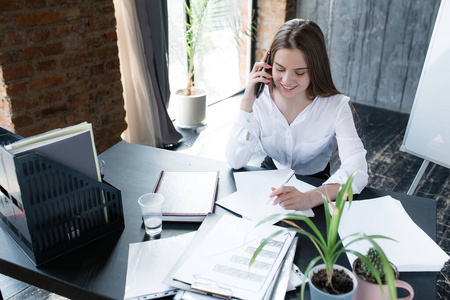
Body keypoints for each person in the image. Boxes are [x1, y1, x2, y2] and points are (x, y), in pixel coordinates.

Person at [226, 19, 368, 211]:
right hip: (270, 174)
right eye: (280, 69)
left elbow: (357, 172)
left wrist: (309, 199)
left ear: (316, 70)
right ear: (269, 62)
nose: (286, 80)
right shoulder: (259, 98)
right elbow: (235, 161)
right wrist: (246, 103)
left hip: (315, 182)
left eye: (299, 73)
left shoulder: (336, 106)